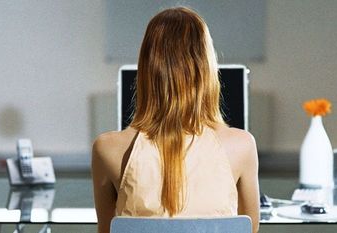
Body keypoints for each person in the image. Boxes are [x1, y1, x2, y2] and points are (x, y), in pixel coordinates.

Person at [92, 6, 259, 233]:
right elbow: (249, 230)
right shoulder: (242, 146)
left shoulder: (107, 148)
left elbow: (107, 230)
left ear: (147, 68)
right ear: (206, 68)